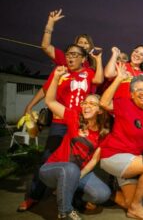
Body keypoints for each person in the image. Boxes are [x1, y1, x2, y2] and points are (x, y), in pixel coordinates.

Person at [18, 44, 104, 212]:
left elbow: (99, 80)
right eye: (67, 54)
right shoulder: (60, 72)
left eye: (74, 54)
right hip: (60, 122)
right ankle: (33, 197)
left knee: (76, 161)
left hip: (79, 122)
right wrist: (30, 105)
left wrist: (98, 60)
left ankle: (74, 199)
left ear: (83, 59)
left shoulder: (88, 73)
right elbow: (46, 91)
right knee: (48, 157)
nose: (69, 57)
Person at [39, 66, 111, 220]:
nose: (86, 106)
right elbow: (50, 101)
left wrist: (79, 176)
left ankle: (71, 194)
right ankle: (65, 212)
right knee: (70, 168)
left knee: (103, 194)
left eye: (92, 104)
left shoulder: (103, 132)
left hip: (79, 172)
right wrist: (56, 78)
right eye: (85, 103)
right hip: (52, 169)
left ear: (100, 110)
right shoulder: (73, 117)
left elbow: (94, 160)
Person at [99, 64, 143, 220]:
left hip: (133, 161)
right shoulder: (124, 103)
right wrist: (119, 78)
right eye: (139, 90)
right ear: (132, 94)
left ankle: (110, 195)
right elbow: (104, 103)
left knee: (129, 201)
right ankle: (136, 207)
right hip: (113, 155)